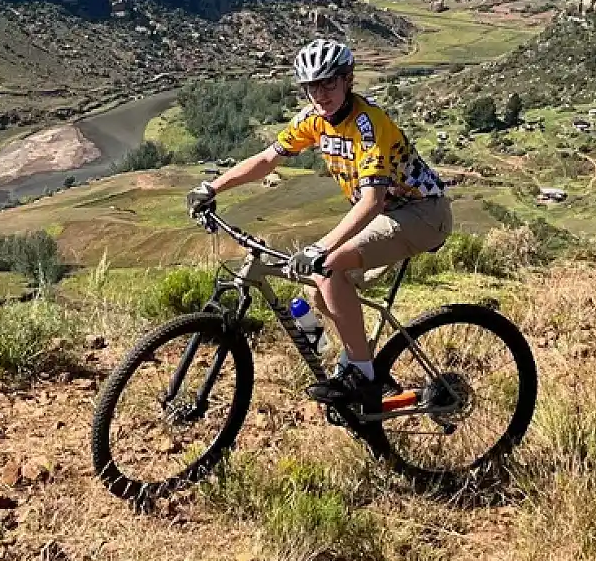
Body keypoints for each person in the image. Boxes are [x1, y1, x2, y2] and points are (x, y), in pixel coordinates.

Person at [186, 38, 452, 405]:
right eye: (312, 86)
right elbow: (267, 160)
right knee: (316, 288)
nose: (321, 93)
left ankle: (363, 375)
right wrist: (211, 187)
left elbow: (373, 201)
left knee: (328, 265)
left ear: (348, 81)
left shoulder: (369, 125)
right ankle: (364, 366)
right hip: (385, 215)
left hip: (422, 213)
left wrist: (321, 247)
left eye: (329, 83)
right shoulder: (314, 119)